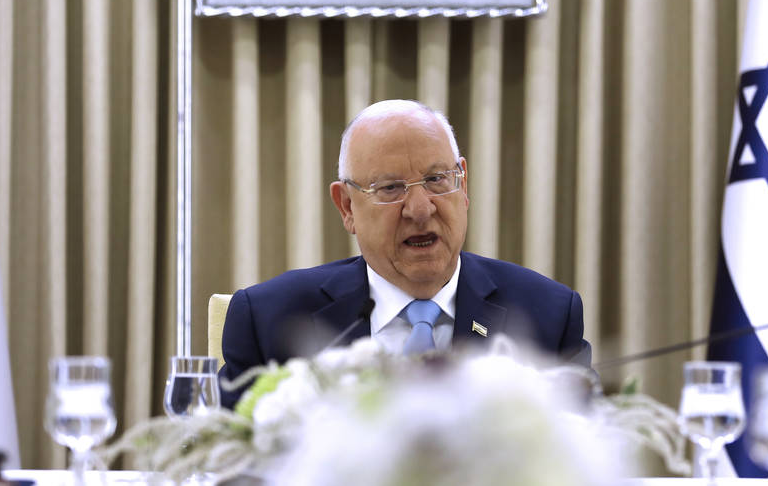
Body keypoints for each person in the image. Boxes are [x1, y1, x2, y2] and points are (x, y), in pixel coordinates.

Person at [219, 100, 590, 408]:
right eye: (391, 187)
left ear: (463, 184)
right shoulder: (269, 321)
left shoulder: (549, 315)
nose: (420, 208)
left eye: (436, 180)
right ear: (346, 206)